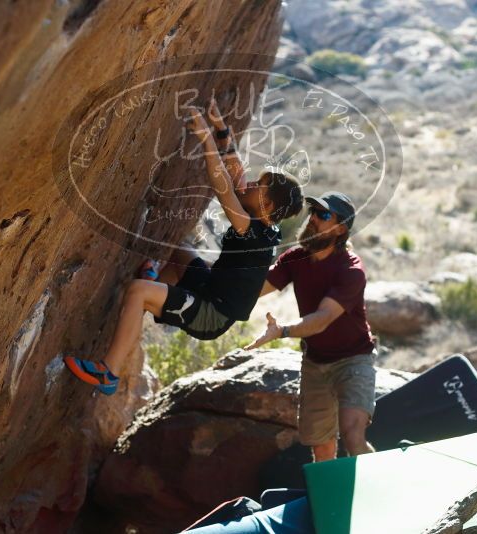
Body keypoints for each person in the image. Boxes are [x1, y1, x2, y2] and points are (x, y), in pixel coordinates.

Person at [65, 99, 304, 395]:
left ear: (266, 206)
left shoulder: (253, 232)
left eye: (259, 186)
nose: (251, 184)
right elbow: (238, 178)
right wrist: (221, 131)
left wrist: (205, 138)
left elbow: (225, 188)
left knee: (136, 290)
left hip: (210, 315)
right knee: (179, 253)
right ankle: (155, 296)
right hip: (210, 289)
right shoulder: (267, 225)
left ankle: (108, 372)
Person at [245, 191, 376, 462]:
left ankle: (376, 485)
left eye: (323, 214)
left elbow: (322, 319)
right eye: (313, 211)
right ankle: (332, 503)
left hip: (354, 361)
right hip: (315, 363)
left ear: (340, 229)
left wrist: (282, 331)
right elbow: (252, 289)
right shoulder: (295, 258)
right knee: (322, 448)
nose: (313, 217)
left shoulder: (350, 270)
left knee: (353, 436)